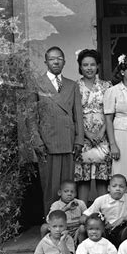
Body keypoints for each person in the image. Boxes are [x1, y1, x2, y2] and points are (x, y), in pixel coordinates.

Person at [28, 46, 84, 215]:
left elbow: (78, 116)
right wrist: (37, 141)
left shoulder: (72, 85)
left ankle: (69, 224)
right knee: (50, 187)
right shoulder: (36, 83)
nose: (56, 61)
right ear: (46, 62)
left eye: (59, 58)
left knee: (68, 187)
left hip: (68, 141)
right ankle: (51, 226)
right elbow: (30, 116)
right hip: (47, 142)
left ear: (64, 61)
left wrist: (79, 140)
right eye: (52, 59)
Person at [74, 49, 113, 204]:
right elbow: (73, 113)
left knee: (102, 177)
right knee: (83, 178)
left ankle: (104, 213)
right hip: (82, 135)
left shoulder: (106, 86)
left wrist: (102, 132)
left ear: (97, 66)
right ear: (80, 67)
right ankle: (83, 213)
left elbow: (110, 111)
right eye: (85, 65)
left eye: (92, 64)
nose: (89, 68)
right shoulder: (74, 86)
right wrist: (86, 133)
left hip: (103, 136)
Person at [84, 174, 127, 246]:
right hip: (105, 229)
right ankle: (84, 250)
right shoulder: (101, 200)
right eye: (114, 186)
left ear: (125, 189)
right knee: (84, 228)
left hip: (122, 229)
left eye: (121, 186)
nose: (118, 189)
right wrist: (100, 221)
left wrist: (124, 218)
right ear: (109, 188)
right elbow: (83, 217)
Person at [41, 180, 87, 244]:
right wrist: (66, 208)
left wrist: (79, 229)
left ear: (76, 194)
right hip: (61, 229)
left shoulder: (80, 203)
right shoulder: (56, 205)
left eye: (72, 192)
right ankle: (45, 245)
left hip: (77, 230)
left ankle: (81, 247)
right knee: (44, 227)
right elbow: (49, 220)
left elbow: (87, 218)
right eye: (66, 191)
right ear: (60, 193)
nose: (69, 194)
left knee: (83, 228)